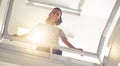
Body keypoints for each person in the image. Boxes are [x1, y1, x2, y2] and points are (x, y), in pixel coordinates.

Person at [13, 7, 83, 55]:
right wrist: (19, 36)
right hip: (42, 48)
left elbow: (65, 41)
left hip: (55, 51)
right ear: (50, 14)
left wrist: (75, 49)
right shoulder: (40, 25)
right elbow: (30, 34)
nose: (55, 14)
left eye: (57, 14)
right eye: (54, 12)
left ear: (59, 18)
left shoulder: (59, 30)